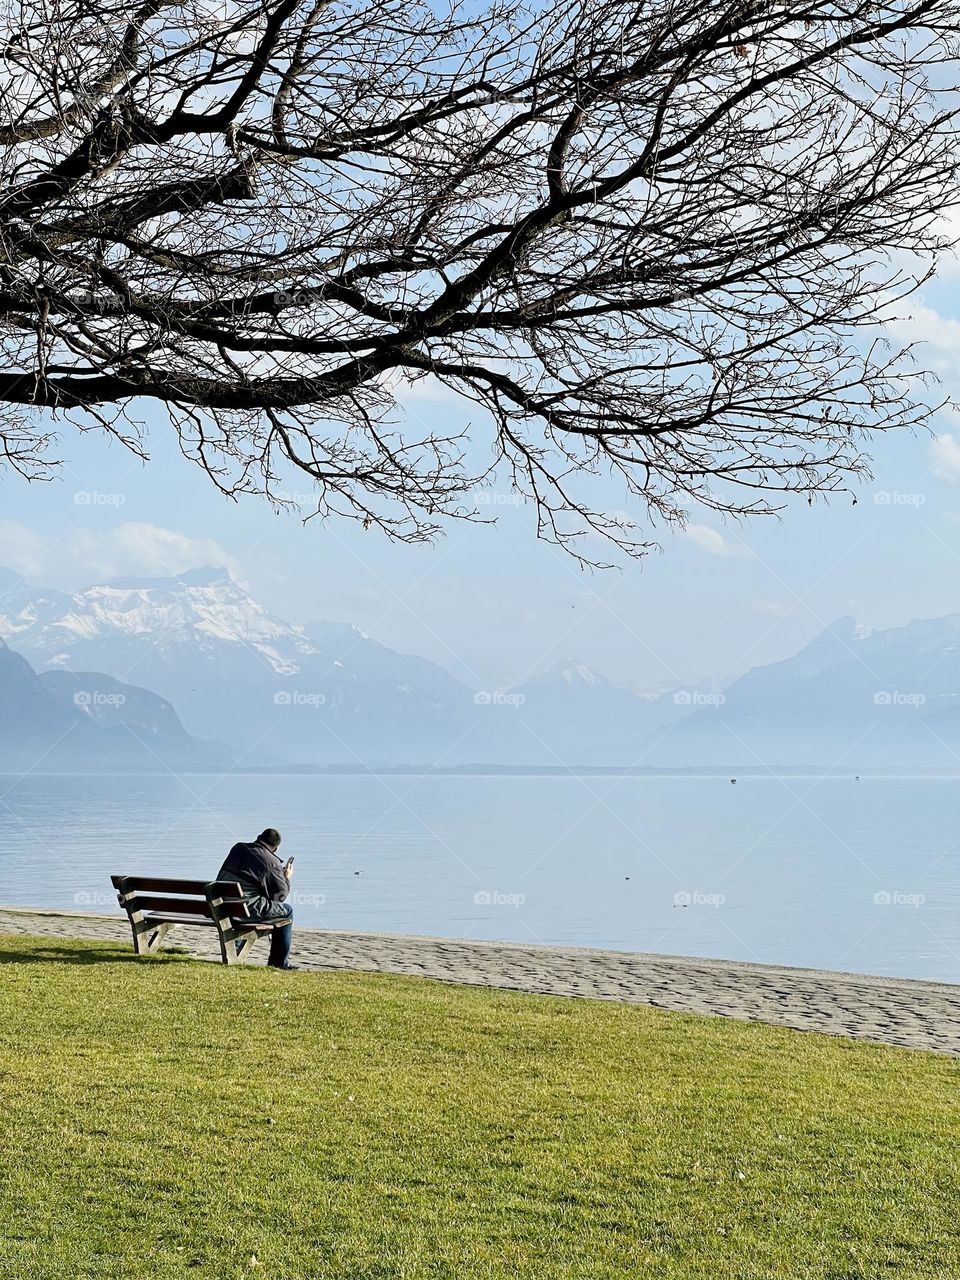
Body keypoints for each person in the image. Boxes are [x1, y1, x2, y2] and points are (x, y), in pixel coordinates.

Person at [217, 827, 296, 969]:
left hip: (221, 906)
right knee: (287, 912)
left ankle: (236, 951)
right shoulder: (271, 862)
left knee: (250, 903)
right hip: (244, 910)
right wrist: (286, 878)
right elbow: (280, 895)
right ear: (276, 848)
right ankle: (279, 963)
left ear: (258, 837)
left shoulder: (238, 848)